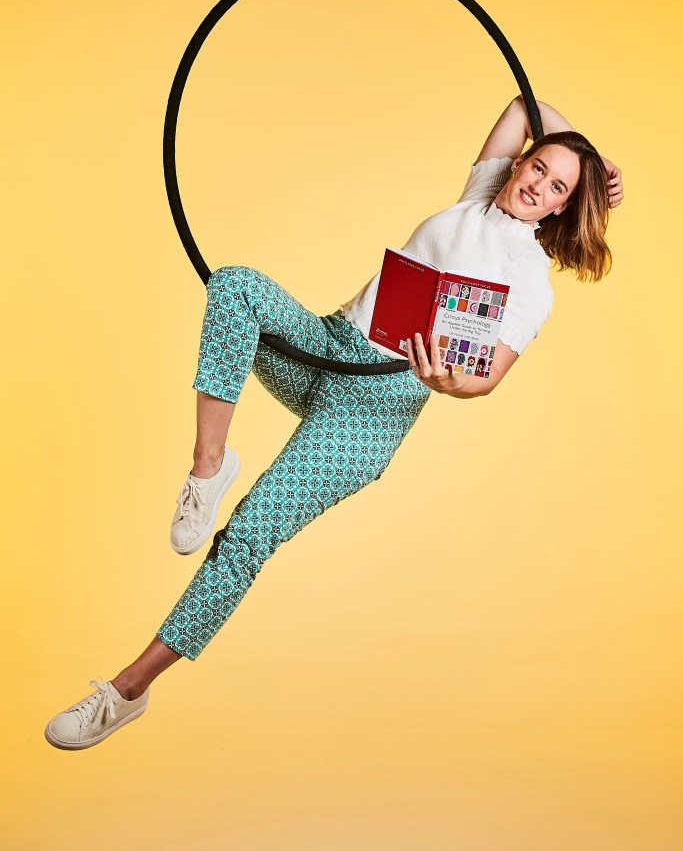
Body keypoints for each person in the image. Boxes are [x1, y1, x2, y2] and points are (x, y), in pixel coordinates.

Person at [44, 96, 624, 750]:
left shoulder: (529, 279)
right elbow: (523, 104)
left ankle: (125, 692)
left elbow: (486, 376)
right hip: (327, 346)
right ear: (518, 164)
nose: (535, 185)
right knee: (234, 286)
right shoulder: (480, 191)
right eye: (537, 167)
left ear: (559, 208)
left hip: (373, 411)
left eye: (556, 187)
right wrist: (591, 156)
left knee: (247, 536)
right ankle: (209, 468)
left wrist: (447, 382)